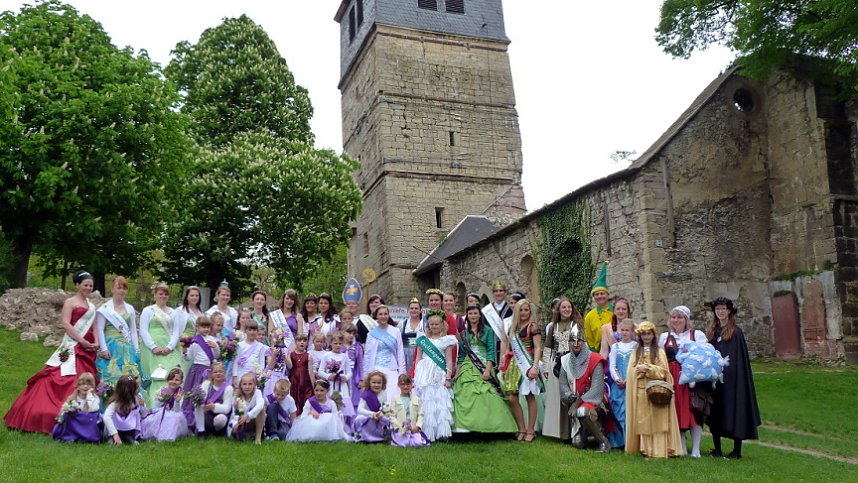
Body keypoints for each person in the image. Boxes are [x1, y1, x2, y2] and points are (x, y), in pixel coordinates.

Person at [5, 270, 99, 434]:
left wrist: (96, 342)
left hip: (89, 348)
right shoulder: (70, 302)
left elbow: (94, 326)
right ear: (77, 285)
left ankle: (85, 418)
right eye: (85, 285)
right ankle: (51, 415)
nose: (89, 288)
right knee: (62, 376)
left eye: (91, 285)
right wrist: (82, 341)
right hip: (74, 345)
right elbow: (65, 324)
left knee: (87, 380)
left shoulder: (91, 306)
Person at [706, 297, 761, 460]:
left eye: (723, 309)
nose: (720, 311)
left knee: (735, 410)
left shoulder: (736, 332)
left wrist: (734, 376)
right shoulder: (712, 332)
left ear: (729, 311)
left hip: (733, 380)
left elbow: (739, 359)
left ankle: (737, 450)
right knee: (715, 412)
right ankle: (717, 449)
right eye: (718, 309)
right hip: (716, 380)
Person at [453, 305, 517, 434]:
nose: (472, 316)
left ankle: (490, 426)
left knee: (487, 393)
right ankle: (465, 428)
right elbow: (461, 356)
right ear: (467, 316)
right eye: (470, 313)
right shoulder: (463, 334)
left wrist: (487, 370)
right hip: (467, 366)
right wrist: (457, 373)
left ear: (479, 315)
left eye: (475, 313)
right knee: (464, 392)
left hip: (484, 365)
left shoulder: (488, 331)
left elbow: (491, 352)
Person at [625, 321, 684, 458]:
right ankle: (646, 450)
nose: (646, 337)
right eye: (643, 334)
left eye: (649, 334)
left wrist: (648, 369)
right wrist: (638, 372)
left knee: (659, 420)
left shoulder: (659, 352)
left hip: (657, 391)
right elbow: (631, 372)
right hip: (641, 391)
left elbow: (664, 372)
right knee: (644, 421)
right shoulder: (636, 352)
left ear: (653, 335)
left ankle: (660, 450)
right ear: (640, 336)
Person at [659, 305, 707, 457]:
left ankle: (696, 449)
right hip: (673, 378)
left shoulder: (696, 335)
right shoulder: (664, 337)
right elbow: (661, 358)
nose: (676, 320)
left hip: (692, 378)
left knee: (695, 410)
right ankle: (682, 446)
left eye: (680, 317)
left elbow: (705, 354)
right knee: (677, 410)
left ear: (686, 319)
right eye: (673, 317)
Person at [559, 324, 611, 452]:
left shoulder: (594, 359)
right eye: (572, 341)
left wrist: (577, 404)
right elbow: (564, 386)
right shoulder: (565, 360)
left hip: (593, 400)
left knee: (583, 411)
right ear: (569, 343)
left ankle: (604, 442)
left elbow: (597, 389)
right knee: (577, 443)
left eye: (579, 341)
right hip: (576, 401)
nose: (576, 344)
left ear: (583, 342)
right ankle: (590, 435)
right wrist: (568, 395)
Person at [541, 296, 584, 441]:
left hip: (572, 362)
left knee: (571, 396)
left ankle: (573, 433)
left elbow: (582, 346)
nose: (566, 309)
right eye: (563, 307)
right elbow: (547, 348)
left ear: (572, 309)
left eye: (569, 307)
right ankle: (559, 432)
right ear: (558, 309)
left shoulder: (576, 325)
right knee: (557, 399)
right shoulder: (553, 326)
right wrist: (546, 368)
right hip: (557, 365)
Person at [500, 299, 542, 442]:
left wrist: (535, 366)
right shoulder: (513, 326)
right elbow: (508, 346)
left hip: (528, 362)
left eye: (526, 310)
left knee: (529, 396)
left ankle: (530, 430)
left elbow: (537, 347)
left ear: (530, 311)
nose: (524, 313)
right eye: (521, 310)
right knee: (512, 397)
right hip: (514, 364)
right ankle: (521, 428)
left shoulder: (533, 326)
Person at [412, 310, 456, 441]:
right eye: (432, 324)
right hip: (424, 373)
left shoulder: (446, 340)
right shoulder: (422, 340)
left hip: (439, 372)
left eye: (437, 324)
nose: (435, 326)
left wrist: (448, 377)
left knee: (439, 401)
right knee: (425, 401)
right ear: (428, 325)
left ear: (442, 324)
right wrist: (416, 376)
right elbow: (418, 359)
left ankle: (441, 433)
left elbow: (449, 360)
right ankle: (425, 431)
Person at [95, 276, 142, 394]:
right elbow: (100, 329)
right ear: (112, 289)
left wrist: (136, 349)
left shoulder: (130, 308)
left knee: (129, 376)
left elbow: (133, 330)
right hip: (110, 346)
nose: (122, 291)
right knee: (111, 375)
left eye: (124, 288)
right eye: (119, 287)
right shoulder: (104, 309)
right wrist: (104, 348)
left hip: (127, 348)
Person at [139, 283, 183, 407]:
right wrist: (153, 347)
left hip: (169, 349)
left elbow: (176, 332)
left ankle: (172, 405)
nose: (163, 296)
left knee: (170, 374)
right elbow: (143, 330)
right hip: (150, 349)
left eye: (165, 294)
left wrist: (169, 347)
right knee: (154, 377)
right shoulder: (148, 310)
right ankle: (152, 406)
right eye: (160, 293)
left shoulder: (173, 313)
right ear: (155, 295)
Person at [181, 316, 220, 426]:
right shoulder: (195, 341)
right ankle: (190, 421)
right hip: (197, 371)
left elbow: (216, 356)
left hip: (209, 371)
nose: (206, 329)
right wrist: (184, 350)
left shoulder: (212, 340)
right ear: (197, 327)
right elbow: (189, 357)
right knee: (194, 394)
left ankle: (206, 419)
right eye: (203, 327)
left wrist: (216, 347)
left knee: (208, 394)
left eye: (208, 327)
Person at [363, 305, 405, 402]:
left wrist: (402, 373)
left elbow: (400, 352)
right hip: (376, 369)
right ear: (376, 316)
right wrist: (366, 375)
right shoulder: (371, 334)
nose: (383, 316)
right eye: (380, 314)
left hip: (392, 369)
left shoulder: (396, 331)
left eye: (385, 314)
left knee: (392, 397)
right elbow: (367, 355)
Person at [286, 380, 351, 442]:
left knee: (330, 416)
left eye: (322, 390)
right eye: (316, 390)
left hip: (326, 427)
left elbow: (336, 418)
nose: (319, 393)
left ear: (327, 391)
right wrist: (310, 413)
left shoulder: (331, 403)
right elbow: (303, 416)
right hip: (313, 425)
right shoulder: (310, 401)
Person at [608, 318, 637, 449]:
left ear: (632, 332)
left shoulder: (636, 346)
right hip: (618, 384)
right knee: (617, 411)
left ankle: (629, 441)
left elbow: (636, 364)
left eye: (627, 330)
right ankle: (618, 441)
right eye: (623, 330)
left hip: (631, 383)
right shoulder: (615, 346)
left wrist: (629, 379)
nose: (625, 333)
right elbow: (612, 365)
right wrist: (617, 379)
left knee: (630, 412)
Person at [141, 367, 189, 441]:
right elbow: (154, 409)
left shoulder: (181, 393)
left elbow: (177, 411)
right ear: (167, 380)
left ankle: (168, 436)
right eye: (171, 379)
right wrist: (163, 409)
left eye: (177, 380)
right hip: (161, 414)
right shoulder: (161, 392)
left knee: (173, 417)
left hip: (175, 416)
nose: (173, 382)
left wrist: (177, 402)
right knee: (162, 416)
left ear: (181, 382)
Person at [51, 372, 101, 443]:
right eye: (83, 384)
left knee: (92, 416)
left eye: (88, 384)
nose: (85, 386)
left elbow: (94, 409)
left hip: (87, 423)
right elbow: (64, 409)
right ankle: (71, 436)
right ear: (78, 386)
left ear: (92, 387)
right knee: (69, 415)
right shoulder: (73, 397)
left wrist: (89, 395)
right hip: (75, 423)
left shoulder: (94, 398)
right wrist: (68, 410)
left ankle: (88, 437)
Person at [318, 332, 354, 426]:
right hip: (331, 384)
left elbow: (349, 372)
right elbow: (320, 371)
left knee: (342, 405)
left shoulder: (344, 356)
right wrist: (328, 376)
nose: (338, 345)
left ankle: (342, 426)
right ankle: (330, 425)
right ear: (330, 343)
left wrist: (345, 377)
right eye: (335, 343)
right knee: (331, 405)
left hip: (341, 385)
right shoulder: (326, 355)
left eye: (340, 343)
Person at [193, 361, 233, 437]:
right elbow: (200, 399)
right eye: (215, 372)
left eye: (220, 372)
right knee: (197, 404)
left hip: (220, 416)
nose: (218, 374)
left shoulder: (228, 388)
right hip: (206, 415)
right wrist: (202, 405)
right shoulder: (206, 384)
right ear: (211, 374)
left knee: (221, 419)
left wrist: (214, 406)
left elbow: (227, 408)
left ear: (224, 373)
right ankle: (201, 431)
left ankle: (217, 432)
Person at [390, 374, 430, 447]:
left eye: (408, 384)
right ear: (399, 385)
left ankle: (416, 438)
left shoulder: (416, 399)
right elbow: (392, 416)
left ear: (412, 385)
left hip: (413, 429)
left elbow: (421, 415)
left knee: (418, 443)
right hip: (401, 429)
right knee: (403, 444)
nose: (405, 387)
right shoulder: (395, 399)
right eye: (403, 384)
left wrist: (417, 427)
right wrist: (398, 427)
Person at [103, 375, 145, 445]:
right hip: (116, 428)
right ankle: (112, 437)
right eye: (136, 387)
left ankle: (129, 436)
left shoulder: (137, 398)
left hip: (129, 427)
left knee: (136, 413)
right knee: (114, 416)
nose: (139, 389)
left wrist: (142, 405)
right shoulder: (115, 402)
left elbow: (143, 414)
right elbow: (106, 417)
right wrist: (115, 434)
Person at [353, 371, 392, 443]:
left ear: (383, 384)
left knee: (387, 419)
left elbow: (385, 407)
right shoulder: (366, 394)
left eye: (379, 383)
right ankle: (362, 437)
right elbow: (360, 409)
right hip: (367, 416)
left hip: (378, 415)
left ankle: (380, 437)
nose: (376, 385)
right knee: (359, 419)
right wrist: (372, 414)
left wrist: (380, 414)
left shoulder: (383, 393)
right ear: (369, 383)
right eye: (374, 382)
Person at [228, 372, 266, 444]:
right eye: (244, 384)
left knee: (262, 410)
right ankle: (244, 435)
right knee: (236, 428)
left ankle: (258, 438)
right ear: (241, 386)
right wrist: (239, 420)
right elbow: (234, 414)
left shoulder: (257, 392)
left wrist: (248, 416)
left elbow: (261, 404)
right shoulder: (237, 396)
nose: (247, 387)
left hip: (253, 421)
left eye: (250, 384)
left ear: (254, 385)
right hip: (240, 422)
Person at [231, 319, 270, 386]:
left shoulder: (260, 346)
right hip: (241, 374)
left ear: (257, 331)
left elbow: (261, 362)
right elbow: (236, 362)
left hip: (254, 376)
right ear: (245, 331)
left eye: (254, 330)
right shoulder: (240, 345)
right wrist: (235, 376)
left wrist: (260, 375)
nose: (252, 332)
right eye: (250, 330)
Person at [584, 261, 612, 352]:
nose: (600, 296)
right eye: (597, 294)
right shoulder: (590, 316)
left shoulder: (616, 311)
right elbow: (589, 338)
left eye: (602, 293)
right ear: (594, 297)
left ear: (608, 295)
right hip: (599, 353)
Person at [287, 334, 315, 414]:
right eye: (299, 341)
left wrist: (314, 386)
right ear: (295, 342)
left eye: (304, 341)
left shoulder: (308, 356)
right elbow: (289, 368)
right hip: (294, 382)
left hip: (305, 383)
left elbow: (310, 372)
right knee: (295, 401)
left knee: (305, 401)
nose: (302, 343)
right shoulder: (291, 355)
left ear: (307, 343)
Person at [264, 325, 291, 397]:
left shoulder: (285, 350)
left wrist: (285, 357)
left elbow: (290, 366)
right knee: (272, 395)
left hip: (283, 376)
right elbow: (270, 366)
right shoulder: (269, 350)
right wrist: (274, 355)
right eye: (275, 337)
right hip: (272, 376)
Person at [343, 323, 363, 413]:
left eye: (353, 333)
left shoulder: (357, 347)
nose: (351, 335)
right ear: (342, 332)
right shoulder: (338, 346)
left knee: (354, 400)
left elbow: (360, 364)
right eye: (349, 333)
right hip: (341, 375)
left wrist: (361, 379)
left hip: (353, 376)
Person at [401, 297, 424, 374]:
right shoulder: (402, 324)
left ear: (421, 310)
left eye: (416, 308)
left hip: (420, 354)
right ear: (408, 310)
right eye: (412, 308)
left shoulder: (424, 325)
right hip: (405, 356)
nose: (414, 310)